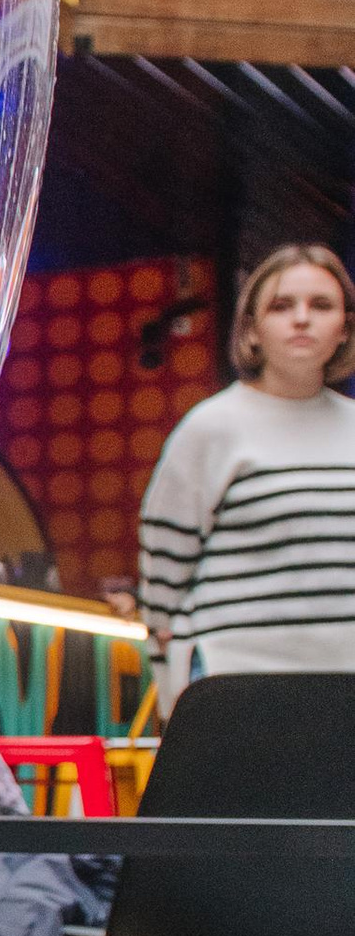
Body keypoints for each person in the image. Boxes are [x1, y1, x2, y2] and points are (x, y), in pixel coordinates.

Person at [138, 244, 355, 702]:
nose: (302, 318)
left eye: (321, 305)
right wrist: (173, 694)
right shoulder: (210, 427)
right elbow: (162, 592)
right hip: (238, 686)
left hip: (347, 685)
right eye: (281, 305)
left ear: (344, 329)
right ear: (252, 330)